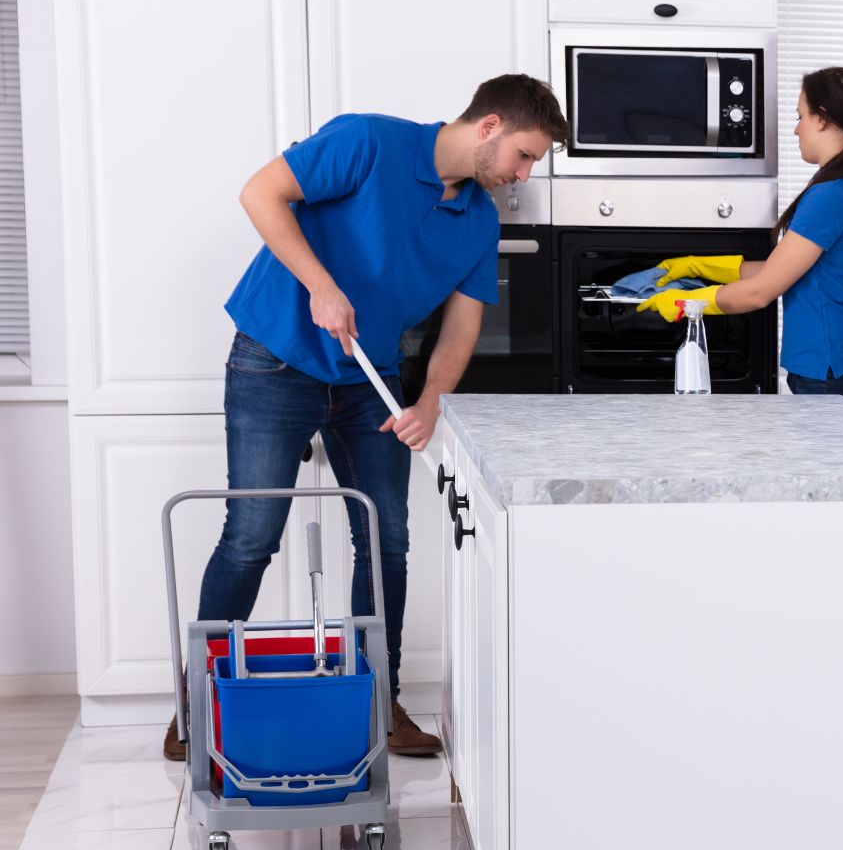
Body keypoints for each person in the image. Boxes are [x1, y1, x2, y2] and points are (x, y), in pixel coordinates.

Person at [164, 75, 568, 762]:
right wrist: (321, 286)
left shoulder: (478, 218)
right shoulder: (367, 140)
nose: (524, 174)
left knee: (386, 541)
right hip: (276, 356)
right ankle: (194, 705)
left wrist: (430, 400)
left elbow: (463, 324)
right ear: (491, 126)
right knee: (252, 536)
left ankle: (380, 705)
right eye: (525, 156)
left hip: (367, 377)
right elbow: (260, 193)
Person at [643, 67, 843, 409]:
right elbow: (782, 270)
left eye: (800, 116)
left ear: (822, 119)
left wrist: (689, 303)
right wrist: (697, 266)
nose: (795, 128)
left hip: (833, 375)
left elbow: (761, 292)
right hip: (838, 372)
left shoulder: (833, 194)